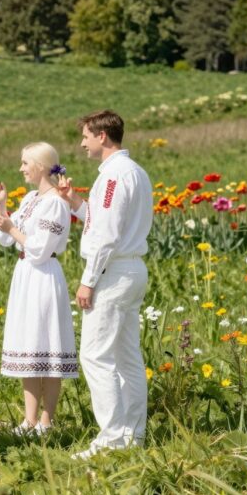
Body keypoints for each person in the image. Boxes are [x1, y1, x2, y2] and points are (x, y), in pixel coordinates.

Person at [57, 110, 153, 458]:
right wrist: (75, 203)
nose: (82, 143)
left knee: (96, 355)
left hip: (111, 272)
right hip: (130, 269)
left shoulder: (114, 177)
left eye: (85, 135)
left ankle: (112, 438)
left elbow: (108, 236)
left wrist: (88, 280)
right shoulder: (135, 173)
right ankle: (133, 436)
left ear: (102, 136)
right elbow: (105, 221)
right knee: (126, 356)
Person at [0, 143, 78, 436]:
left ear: (40, 166)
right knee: (30, 344)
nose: (21, 168)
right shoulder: (30, 198)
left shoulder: (55, 202)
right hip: (25, 274)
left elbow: (40, 248)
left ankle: (46, 421)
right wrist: (2, 205)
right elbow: (6, 238)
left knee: (48, 345)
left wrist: (12, 229)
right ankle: (28, 421)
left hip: (43, 275)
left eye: (25, 163)